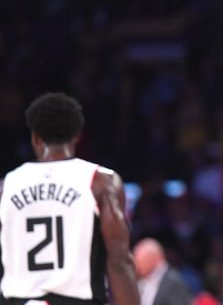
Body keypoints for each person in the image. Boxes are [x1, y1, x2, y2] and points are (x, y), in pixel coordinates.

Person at [0, 92, 140, 304]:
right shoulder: (101, 182)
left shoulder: (6, 187)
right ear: (77, 136)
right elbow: (119, 261)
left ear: (35, 138)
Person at [133, 238, 193, 305]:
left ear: (152, 259)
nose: (137, 267)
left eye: (140, 261)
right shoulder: (142, 281)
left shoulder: (174, 282)